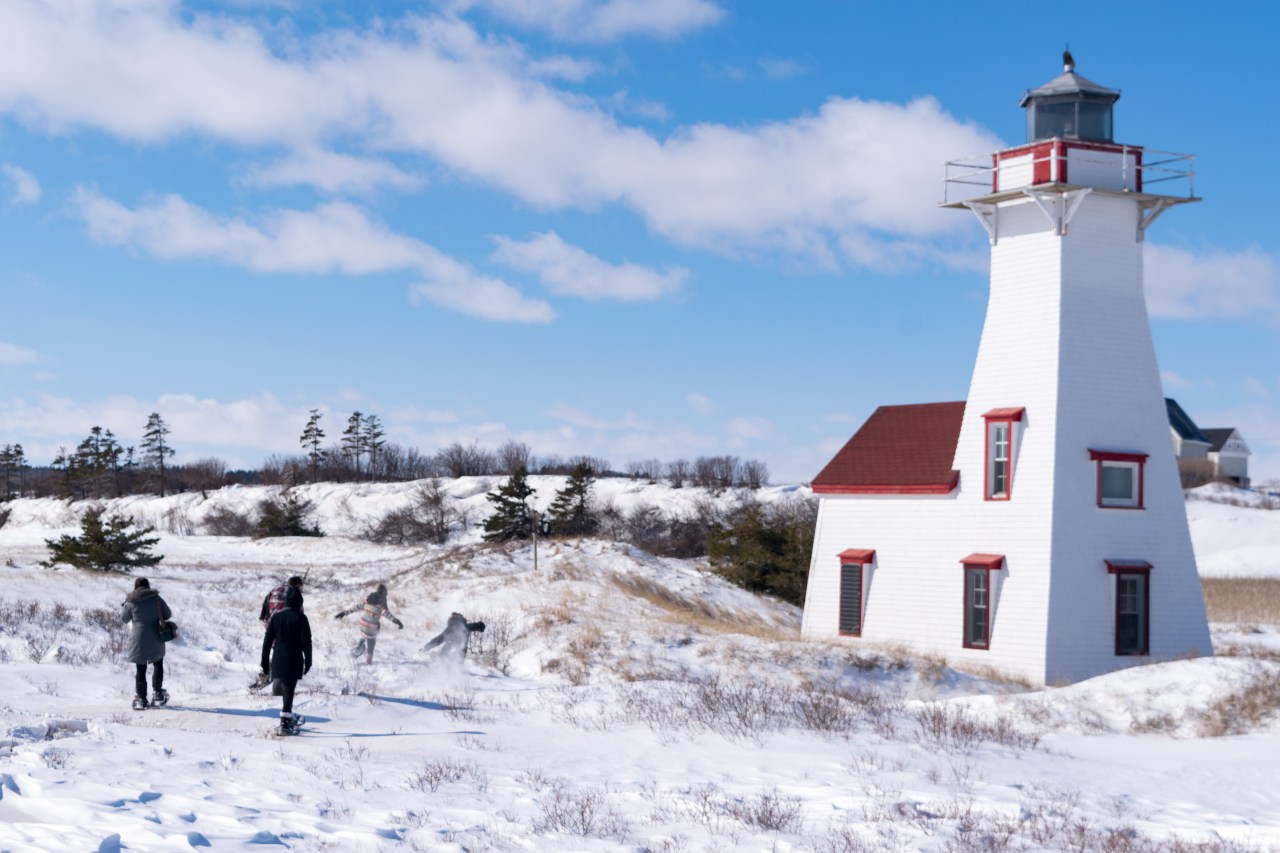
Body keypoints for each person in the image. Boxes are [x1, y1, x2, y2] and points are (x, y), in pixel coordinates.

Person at [260, 585, 312, 735]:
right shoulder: (301, 618)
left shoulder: (276, 617)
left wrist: (265, 664)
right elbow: (307, 642)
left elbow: (267, 642)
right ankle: (285, 723)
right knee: (289, 689)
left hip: (278, 660)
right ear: (299, 602)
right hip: (294, 660)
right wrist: (308, 661)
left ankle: (287, 719)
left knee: (286, 689)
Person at [120, 577, 173, 710]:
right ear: (148, 586)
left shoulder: (131, 601)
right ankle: (157, 694)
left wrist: (127, 606)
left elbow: (124, 619)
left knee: (141, 668)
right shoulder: (156, 598)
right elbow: (168, 614)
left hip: (138, 638)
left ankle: (141, 699)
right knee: (158, 663)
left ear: (135, 587)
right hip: (155, 636)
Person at [251, 575, 304, 689]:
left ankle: (265, 677)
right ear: (298, 585)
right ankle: (276, 682)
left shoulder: (275, 590)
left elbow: (264, 609)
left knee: (276, 651)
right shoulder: (295, 593)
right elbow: (299, 614)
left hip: (271, 624)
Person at [335, 583, 402, 665]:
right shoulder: (382, 604)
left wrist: (344, 613)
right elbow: (388, 615)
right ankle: (368, 662)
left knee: (365, 632)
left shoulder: (369, 600)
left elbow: (357, 607)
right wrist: (397, 622)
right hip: (371, 627)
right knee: (371, 642)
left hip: (362, 623)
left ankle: (360, 644)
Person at [421, 612, 486, 663]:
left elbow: (438, 640)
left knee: (445, 653)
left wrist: (426, 648)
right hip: (460, 649)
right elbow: (477, 625)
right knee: (460, 654)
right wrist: (481, 626)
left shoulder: (450, 629)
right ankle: (458, 669)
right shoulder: (466, 627)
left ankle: (444, 665)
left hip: (449, 646)